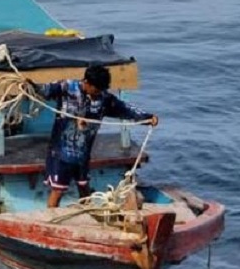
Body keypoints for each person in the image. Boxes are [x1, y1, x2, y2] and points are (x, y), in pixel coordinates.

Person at [33, 63, 158, 208]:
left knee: (84, 187)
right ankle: (51, 219)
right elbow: (44, 90)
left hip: (83, 154)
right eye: (96, 89)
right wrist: (31, 86)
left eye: (101, 90)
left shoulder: (104, 99)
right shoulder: (66, 87)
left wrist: (147, 118)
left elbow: (125, 109)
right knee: (58, 190)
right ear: (86, 83)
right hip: (61, 153)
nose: (98, 93)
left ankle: (87, 214)